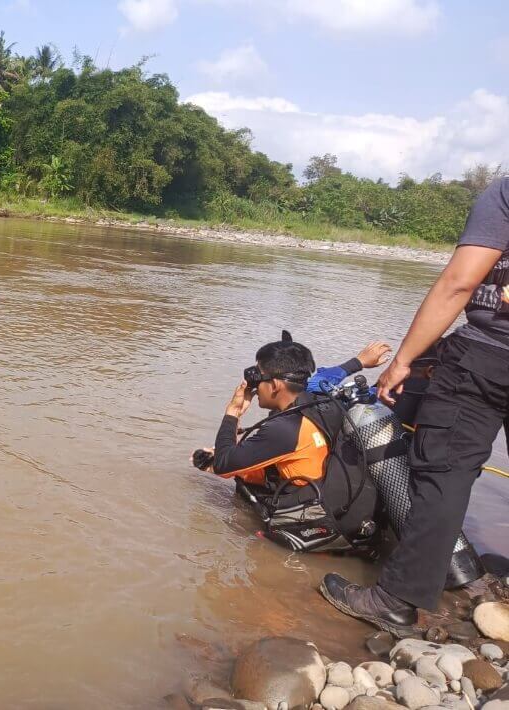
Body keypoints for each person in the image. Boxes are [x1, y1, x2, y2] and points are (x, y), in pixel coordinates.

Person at [319, 177, 509, 637]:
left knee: (443, 475)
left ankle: (397, 599)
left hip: (488, 357)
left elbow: (460, 282)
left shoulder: (504, 194)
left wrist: (403, 360)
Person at [190, 335, 388, 552]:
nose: (253, 385)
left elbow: (222, 465)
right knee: (247, 469)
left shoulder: (284, 429)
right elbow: (326, 377)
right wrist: (358, 362)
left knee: (239, 486)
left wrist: (233, 411)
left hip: (325, 517)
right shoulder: (321, 402)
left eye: (258, 376)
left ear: (275, 385)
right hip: (341, 495)